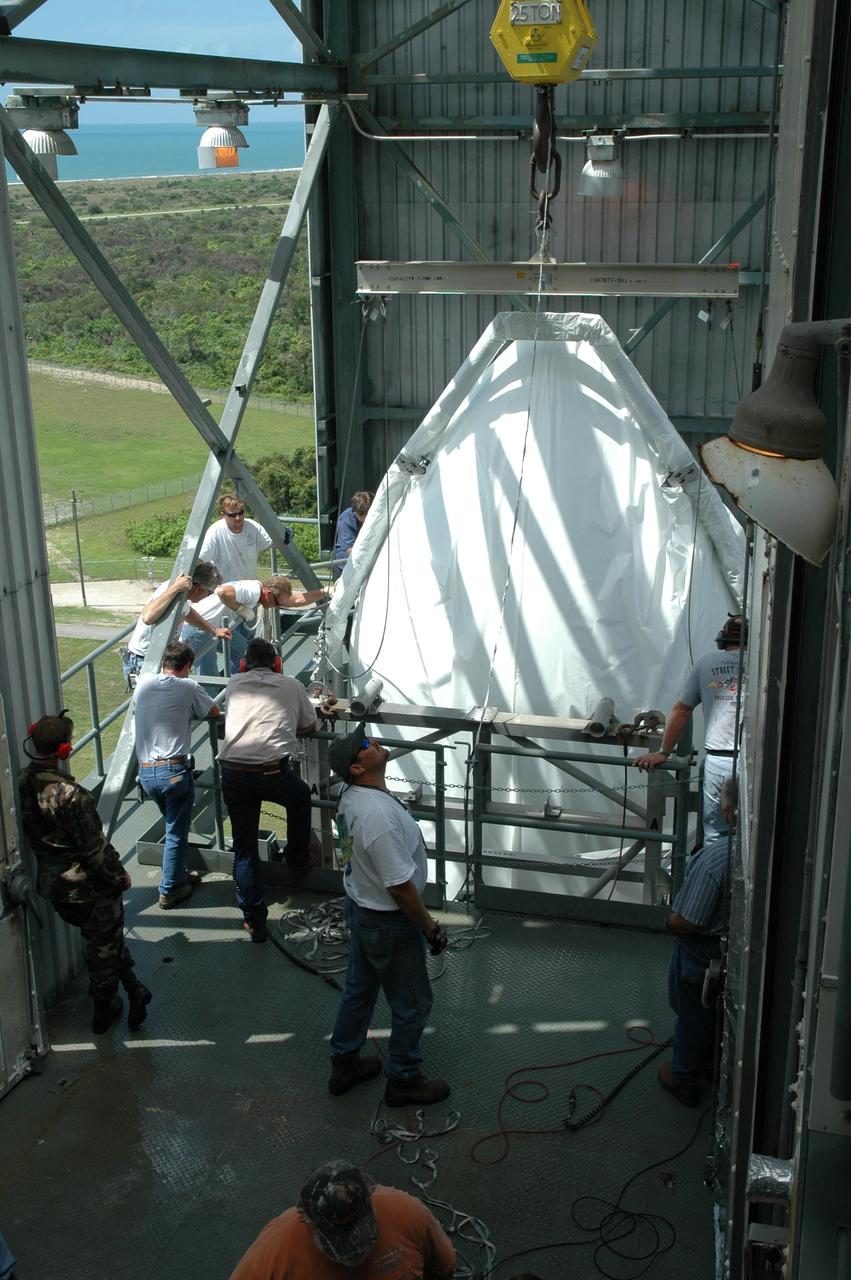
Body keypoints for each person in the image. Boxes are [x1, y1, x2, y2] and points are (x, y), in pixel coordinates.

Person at [327, 721, 450, 1106]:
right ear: (357, 768)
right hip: (388, 921)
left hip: (362, 908)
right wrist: (429, 927)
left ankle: (344, 1062)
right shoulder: (377, 818)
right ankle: (404, 1079)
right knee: (412, 1002)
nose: (374, 741)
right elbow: (399, 887)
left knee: (359, 989)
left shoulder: (351, 796)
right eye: (365, 744)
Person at [17, 713, 151, 1035]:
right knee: (102, 948)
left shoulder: (22, 782)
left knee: (102, 939)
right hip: (89, 887)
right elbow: (94, 851)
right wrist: (120, 877)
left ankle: (135, 989)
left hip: (56, 887)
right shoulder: (71, 796)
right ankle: (104, 1011)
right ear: (65, 750)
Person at [218, 637, 318, 942]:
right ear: (277, 664)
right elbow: (310, 725)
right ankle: (297, 860)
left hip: (233, 772)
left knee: (245, 849)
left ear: (245, 663)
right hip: (272, 773)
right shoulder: (292, 686)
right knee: (300, 796)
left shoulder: (235, 682)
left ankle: (253, 918)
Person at [229, 1160, 456, 1280]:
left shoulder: (409, 1213)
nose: (357, 1253)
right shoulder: (274, 1251)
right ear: (307, 1222)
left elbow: (443, 1269)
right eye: (342, 1244)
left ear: (372, 1198)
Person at [658, 776, 736, 1108]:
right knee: (716, 1014)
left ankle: (685, 1078)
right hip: (734, 953)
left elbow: (687, 922)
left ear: (729, 811)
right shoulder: (766, 854)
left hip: (703, 956)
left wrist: (669, 920)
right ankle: (711, 1064)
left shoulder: (715, 859)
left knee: (692, 1013)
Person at [635, 614, 746, 843]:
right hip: (752, 762)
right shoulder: (763, 665)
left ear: (723, 638)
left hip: (718, 760)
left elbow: (682, 710)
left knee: (716, 835)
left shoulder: (706, 663)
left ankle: (713, 876)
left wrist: (663, 752)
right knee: (750, 834)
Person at [134, 641, 220, 909]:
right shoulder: (188, 687)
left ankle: (178, 875)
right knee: (176, 831)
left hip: (146, 773)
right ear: (187, 667)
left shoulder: (144, 683)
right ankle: (170, 889)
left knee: (174, 826)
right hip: (173, 771)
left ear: (164, 663)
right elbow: (213, 711)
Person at [183, 575, 328, 676]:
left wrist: (325, 591)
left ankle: (236, 688)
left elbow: (296, 600)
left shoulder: (261, 592)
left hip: (213, 627)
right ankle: (215, 716)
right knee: (209, 674)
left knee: (244, 653)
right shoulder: (253, 590)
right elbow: (222, 592)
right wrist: (240, 609)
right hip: (198, 628)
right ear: (269, 594)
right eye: (277, 603)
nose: (276, 607)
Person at [120, 561, 228, 689]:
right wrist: (175, 588)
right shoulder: (172, 589)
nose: (208, 596)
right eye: (209, 593)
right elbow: (148, 617)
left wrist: (213, 630)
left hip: (162, 660)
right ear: (199, 589)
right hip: (145, 661)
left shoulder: (182, 595)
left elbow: (187, 612)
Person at [199, 493, 274, 582]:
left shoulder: (253, 527)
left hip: (249, 587)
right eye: (232, 515)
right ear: (223, 515)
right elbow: (200, 559)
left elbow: (274, 543)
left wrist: (284, 535)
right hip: (225, 589)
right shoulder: (215, 531)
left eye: (240, 513)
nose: (238, 518)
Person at [331, 490, 374, 579]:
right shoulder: (345, 519)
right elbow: (350, 550)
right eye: (361, 514)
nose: (365, 518)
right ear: (355, 511)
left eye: (368, 513)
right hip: (344, 566)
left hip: (365, 565)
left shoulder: (375, 517)